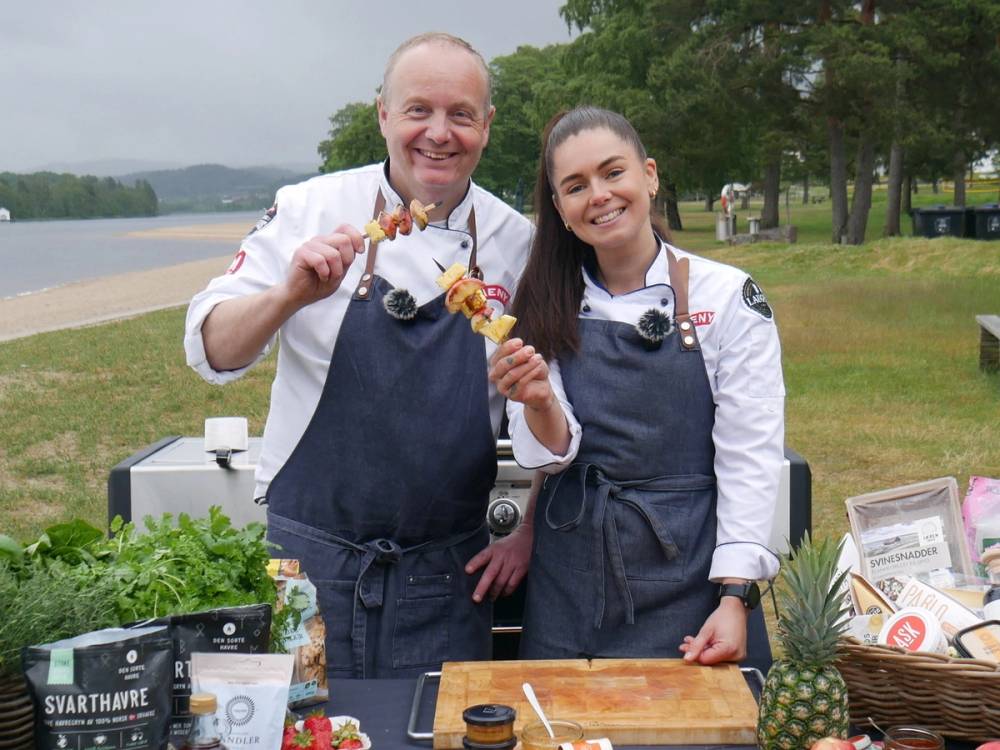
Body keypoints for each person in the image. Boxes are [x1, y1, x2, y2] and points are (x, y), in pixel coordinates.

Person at [183, 32, 533, 678]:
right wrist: (288, 294)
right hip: (308, 567)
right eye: (418, 110)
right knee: (307, 732)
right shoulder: (306, 209)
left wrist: (530, 525)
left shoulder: (519, 244)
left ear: (486, 126)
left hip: (448, 577)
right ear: (382, 114)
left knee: (434, 735)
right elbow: (211, 347)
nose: (439, 132)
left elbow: (560, 400)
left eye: (461, 114)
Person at [487, 107, 784, 672]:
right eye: (575, 186)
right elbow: (550, 452)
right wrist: (540, 403)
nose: (598, 195)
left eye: (612, 172)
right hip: (569, 579)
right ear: (560, 210)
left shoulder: (727, 297)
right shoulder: (545, 302)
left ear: (649, 175)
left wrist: (734, 594)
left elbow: (750, 454)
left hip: (690, 573)